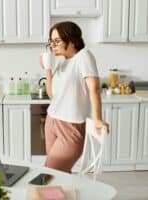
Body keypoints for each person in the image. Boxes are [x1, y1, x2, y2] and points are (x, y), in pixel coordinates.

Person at [40, 21, 109, 173]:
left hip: (70, 127)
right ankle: (63, 196)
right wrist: (48, 69)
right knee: (58, 173)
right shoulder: (63, 61)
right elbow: (53, 96)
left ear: (71, 40)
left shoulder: (84, 56)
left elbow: (95, 89)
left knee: (50, 172)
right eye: (51, 41)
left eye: (57, 41)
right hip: (52, 121)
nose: (52, 45)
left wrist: (97, 119)